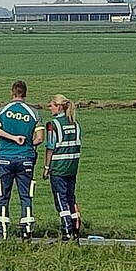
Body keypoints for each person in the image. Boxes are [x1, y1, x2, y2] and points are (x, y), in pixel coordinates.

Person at [0, 80, 44, 240]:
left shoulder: (2, 111)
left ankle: (3, 234)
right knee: (26, 196)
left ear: (12, 92)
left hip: (5, 159)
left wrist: (12, 138)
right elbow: (40, 138)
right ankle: (27, 232)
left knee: (3, 196)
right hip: (26, 158)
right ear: (25, 93)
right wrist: (27, 143)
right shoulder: (33, 113)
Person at [44, 94, 82, 240]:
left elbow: (50, 147)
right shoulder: (75, 123)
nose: (49, 108)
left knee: (60, 198)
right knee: (71, 197)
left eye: (51, 105)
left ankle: (66, 230)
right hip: (72, 166)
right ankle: (75, 228)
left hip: (59, 166)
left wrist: (47, 167)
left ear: (59, 107)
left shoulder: (53, 125)